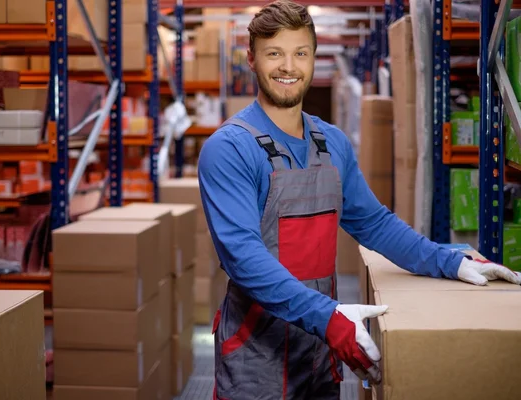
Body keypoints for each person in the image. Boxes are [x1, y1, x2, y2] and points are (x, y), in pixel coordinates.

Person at [197, 1, 521, 399]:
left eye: (300, 53)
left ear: (314, 57)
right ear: (252, 59)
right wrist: (329, 317)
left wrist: (448, 260)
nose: (289, 67)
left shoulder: (331, 143)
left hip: (321, 351)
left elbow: (374, 223)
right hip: (257, 359)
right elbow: (243, 258)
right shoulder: (229, 149)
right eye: (274, 53)